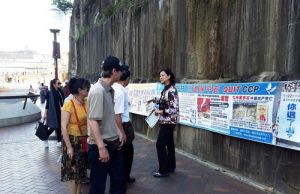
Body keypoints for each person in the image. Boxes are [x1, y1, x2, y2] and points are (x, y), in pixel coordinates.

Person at [87, 56, 126, 194]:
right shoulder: (98, 91)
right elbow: (93, 121)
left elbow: (108, 116)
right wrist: (101, 147)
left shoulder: (110, 90)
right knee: (98, 187)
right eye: (120, 71)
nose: (122, 74)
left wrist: (118, 131)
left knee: (119, 181)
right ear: (114, 71)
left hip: (114, 144)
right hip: (101, 146)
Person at [61, 77, 91, 194]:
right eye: (86, 87)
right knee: (73, 171)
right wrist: (69, 147)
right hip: (72, 141)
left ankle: (79, 192)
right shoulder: (68, 104)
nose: (88, 89)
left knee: (81, 170)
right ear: (79, 90)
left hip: (84, 140)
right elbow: (63, 127)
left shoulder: (87, 101)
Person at [153, 68, 179, 178]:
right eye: (160, 75)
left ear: (169, 76)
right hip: (166, 120)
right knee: (169, 143)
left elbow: (174, 108)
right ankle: (171, 166)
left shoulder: (172, 90)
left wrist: (161, 111)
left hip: (169, 121)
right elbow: (166, 102)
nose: (161, 77)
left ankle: (163, 170)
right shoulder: (166, 89)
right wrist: (155, 100)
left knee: (160, 144)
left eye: (163, 75)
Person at [112, 64, 136, 184]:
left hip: (117, 125)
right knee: (127, 153)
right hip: (123, 125)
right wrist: (122, 132)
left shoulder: (113, 88)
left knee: (122, 153)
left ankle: (122, 177)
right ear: (126, 80)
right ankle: (124, 177)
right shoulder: (120, 92)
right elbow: (118, 114)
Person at [43, 78, 65, 148]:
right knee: (53, 127)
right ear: (54, 84)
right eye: (58, 83)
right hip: (53, 112)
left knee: (59, 126)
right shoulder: (50, 92)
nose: (60, 84)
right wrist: (45, 113)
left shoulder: (60, 91)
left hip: (60, 111)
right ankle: (45, 137)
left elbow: (62, 101)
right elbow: (47, 104)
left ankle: (59, 141)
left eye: (60, 83)